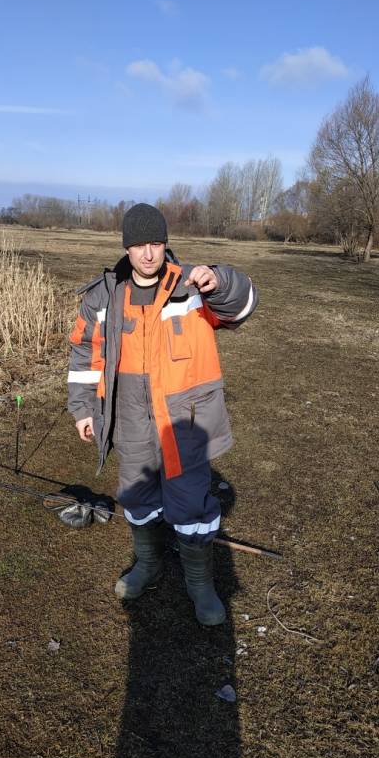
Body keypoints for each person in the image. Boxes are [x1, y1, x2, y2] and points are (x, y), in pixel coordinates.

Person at [67, 203, 258, 625]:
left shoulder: (192, 285)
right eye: (138, 245)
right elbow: (84, 352)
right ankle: (148, 563)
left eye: (155, 243)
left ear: (165, 244)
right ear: (126, 248)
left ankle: (199, 583)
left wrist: (220, 279)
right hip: (128, 415)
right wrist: (82, 409)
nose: (148, 254)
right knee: (136, 496)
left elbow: (241, 306)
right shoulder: (103, 295)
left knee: (191, 503)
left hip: (185, 418)